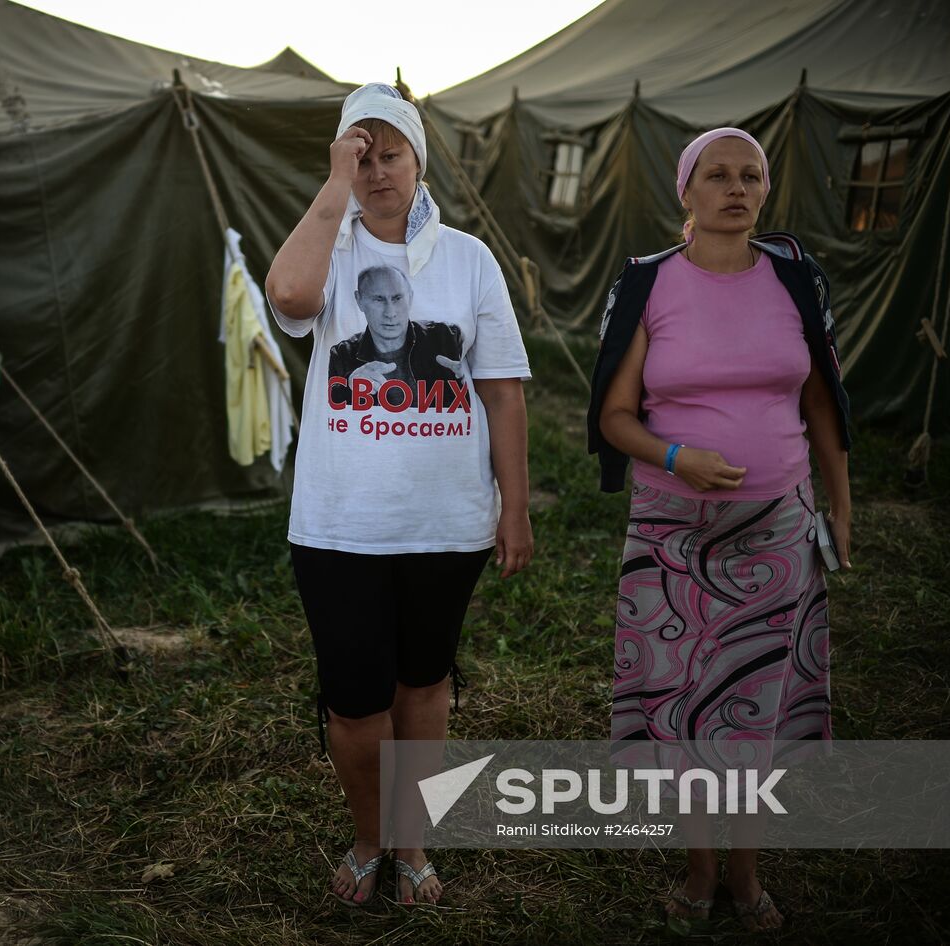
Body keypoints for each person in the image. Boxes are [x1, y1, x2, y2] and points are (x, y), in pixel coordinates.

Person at [265, 82, 533, 907]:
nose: (377, 169)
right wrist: (331, 190)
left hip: (445, 523)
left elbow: (502, 392)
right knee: (354, 700)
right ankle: (369, 835)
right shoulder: (332, 246)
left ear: (419, 160)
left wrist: (513, 506)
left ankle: (411, 841)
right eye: (361, 153)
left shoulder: (468, 260)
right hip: (340, 525)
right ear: (343, 161)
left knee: (423, 685)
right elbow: (289, 298)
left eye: (391, 153)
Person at [587, 128, 852, 933]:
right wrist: (677, 455)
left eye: (752, 175)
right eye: (718, 175)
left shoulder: (796, 282)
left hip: (778, 528)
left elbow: (821, 405)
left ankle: (746, 871)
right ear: (686, 192)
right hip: (673, 536)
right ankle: (700, 871)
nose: (736, 188)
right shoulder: (648, 285)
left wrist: (841, 507)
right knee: (681, 707)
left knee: (756, 711)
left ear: (765, 191)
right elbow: (614, 415)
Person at [327, 264, 463, 409]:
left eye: (397, 298)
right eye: (378, 299)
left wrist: (467, 379)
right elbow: (331, 415)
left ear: (410, 298)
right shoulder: (342, 355)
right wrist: (349, 387)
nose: (390, 313)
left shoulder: (447, 338)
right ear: (359, 300)